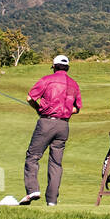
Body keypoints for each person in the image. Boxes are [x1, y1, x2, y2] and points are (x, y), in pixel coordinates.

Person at [20, 55, 81, 206]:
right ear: (67, 68)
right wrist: (65, 111)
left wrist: (38, 109)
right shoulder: (74, 84)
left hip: (47, 122)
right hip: (64, 126)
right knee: (56, 163)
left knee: (33, 156)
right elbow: (76, 108)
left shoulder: (47, 79)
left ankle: (32, 189)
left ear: (54, 66)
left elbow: (29, 98)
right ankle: (52, 201)